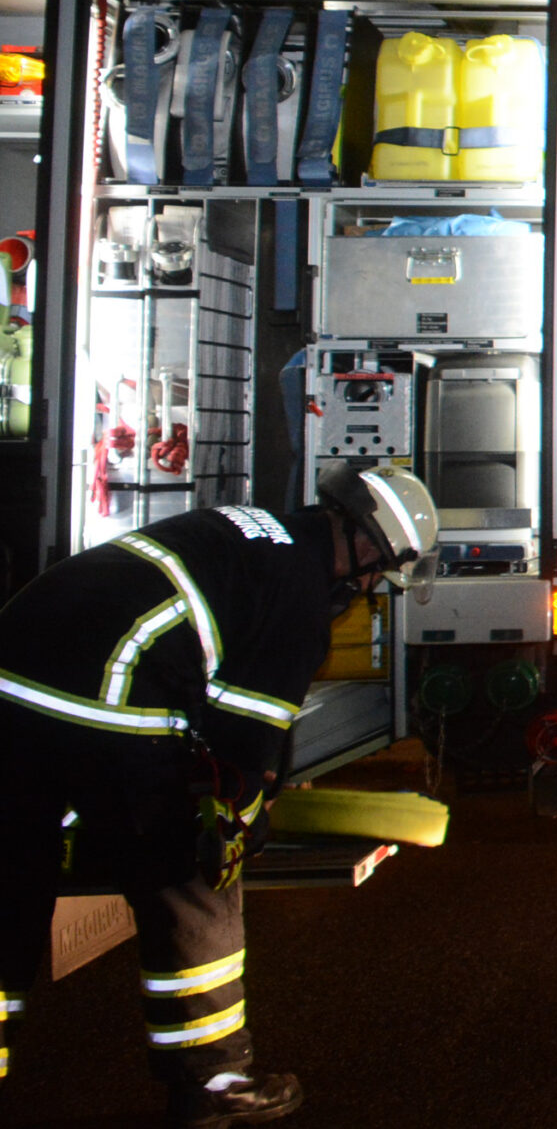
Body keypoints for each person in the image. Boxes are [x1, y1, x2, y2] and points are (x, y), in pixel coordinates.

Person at [0, 463, 438, 1125]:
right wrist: (242, 825)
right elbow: (243, 750)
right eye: (381, 574)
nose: (373, 587)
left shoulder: (255, 533)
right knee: (194, 876)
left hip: (12, 681)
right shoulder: (297, 594)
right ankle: (214, 1080)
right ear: (370, 546)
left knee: (12, 874)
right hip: (109, 699)